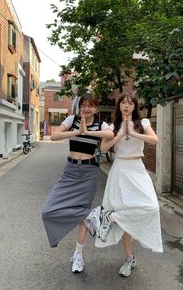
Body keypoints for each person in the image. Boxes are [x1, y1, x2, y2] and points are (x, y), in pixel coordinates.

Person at [92, 92, 163, 277]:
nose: (126, 105)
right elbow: (103, 148)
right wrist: (120, 134)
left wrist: (132, 133)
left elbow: (155, 140)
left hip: (137, 169)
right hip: (120, 170)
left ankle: (110, 218)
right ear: (119, 105)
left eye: (130, 103)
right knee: (125, 216)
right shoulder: (112, 126)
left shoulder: (143, 123)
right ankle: (129, 258)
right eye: (123, 102)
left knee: (152, 207)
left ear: (134, 106)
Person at [42, 93, 114, 273]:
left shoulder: (100, 124)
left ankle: (78, 255)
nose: (86, 108)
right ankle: (90, 216)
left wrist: (88, 132)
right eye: (84, 105)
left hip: (89, 172)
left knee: (82, 214)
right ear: (79, 107)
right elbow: (54, 136)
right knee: (48, 210)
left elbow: (110, 134)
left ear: (96, 109)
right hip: (71, 171)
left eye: (90, 105)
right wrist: (77, 131)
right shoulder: (72, 119)